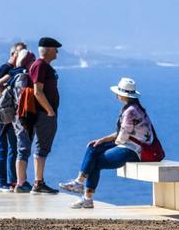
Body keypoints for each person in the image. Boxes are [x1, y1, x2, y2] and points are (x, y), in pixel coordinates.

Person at [59, 77, 158, 209]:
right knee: (93, 147)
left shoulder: (130, 111)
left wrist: (107, 144)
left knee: (95, 161)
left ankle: (85, 193)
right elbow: (123, 134)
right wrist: (102, 141)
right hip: (129, 145)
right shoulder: (134, 108)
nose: (116, 95)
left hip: (134, 150)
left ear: (123, 95)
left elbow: (122, 137)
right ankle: (80, 184)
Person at [14, 36, 62, 194]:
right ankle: (37, 182)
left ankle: (33, 181)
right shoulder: (40, 66)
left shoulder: (43, 66)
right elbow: (38, 91)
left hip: (42, 113)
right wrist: (50, 110)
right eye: (55, 49)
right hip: (42, 113)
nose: (57, 52)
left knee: (38, 148)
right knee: (41, 148)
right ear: (47, 50)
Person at [0, 41, 25, 191]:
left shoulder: (11, 69)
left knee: (11, 147)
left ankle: (10, 181)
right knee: (5, 147)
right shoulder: (6, 69)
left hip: (4, 113)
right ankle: (2, 182)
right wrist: (10, 98)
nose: (22, 56)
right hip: (3, 114)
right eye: (20, 53)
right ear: (13, 54)